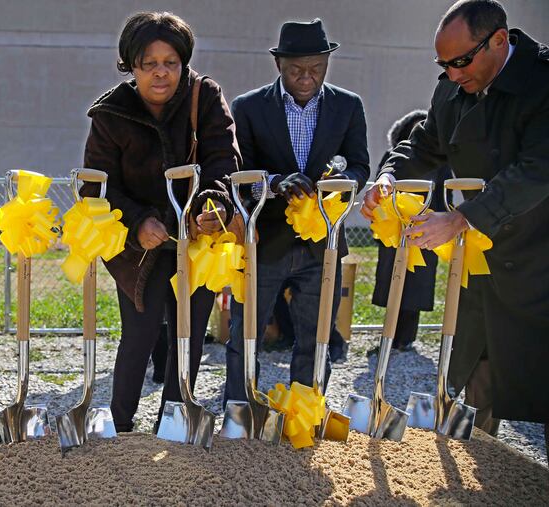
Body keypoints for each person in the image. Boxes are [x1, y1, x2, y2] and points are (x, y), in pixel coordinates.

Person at [361, 0, 549, 452]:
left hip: (540, 254)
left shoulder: (542, 83)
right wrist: (388, 175)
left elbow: (537, 169)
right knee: (479, 372)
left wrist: (462, 218)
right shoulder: (452, 88)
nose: (451, 75)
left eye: (460, 61)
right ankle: (486, 465)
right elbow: (424, 143)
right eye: (442, 64)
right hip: (486, 259)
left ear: (500, 41)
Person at [81, 11, 240, 433]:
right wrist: (137, 222)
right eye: (149, 64)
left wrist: (215, 203)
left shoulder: (204, 97)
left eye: (171, 62)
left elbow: (222, 158)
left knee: (187, 337)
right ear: (130, 65)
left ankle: (173, 420)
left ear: (183, 62)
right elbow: (96, 186)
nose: (161, 73)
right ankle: (119, 424)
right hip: (141, 247)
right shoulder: (112, 114)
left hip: (198, 237)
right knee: (141, 332)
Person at [224, 19, 370, 407]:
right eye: (296, 70)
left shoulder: (348, 106)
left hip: (322, 241)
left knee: (316, 333)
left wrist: (337, 182)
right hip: (263, 240)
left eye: (316, 69)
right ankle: (240, 409)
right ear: (279, 65)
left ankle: (305, 410)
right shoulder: (249, 107)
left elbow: (360, 166)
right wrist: (273, 183)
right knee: (246, 333)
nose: (306, 78)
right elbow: (239, 173)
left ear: (326, 63)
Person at [370, 110, 453, 353]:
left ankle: (406, 338)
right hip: (395, 231)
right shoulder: (392, 157)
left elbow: (444, 195)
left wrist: (439, 221)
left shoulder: (441, 163)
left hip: (425, 229)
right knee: (391, 283)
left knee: (417, 285)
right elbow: (380, 184)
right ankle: (388, 338)